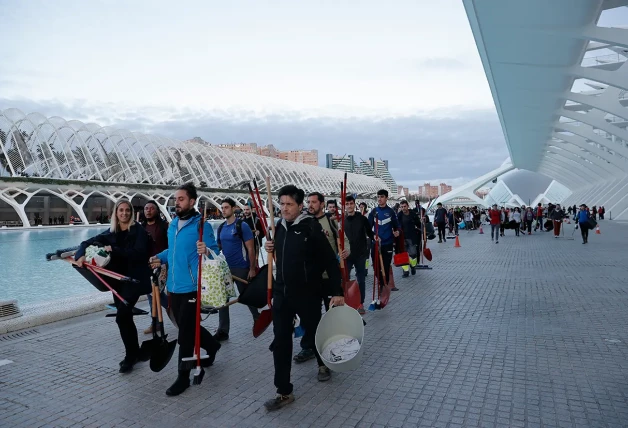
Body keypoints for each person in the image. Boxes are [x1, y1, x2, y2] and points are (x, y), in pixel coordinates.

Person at [263, 185, 344, 411]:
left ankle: (323, 363)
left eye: (289, 204)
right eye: (282, 204)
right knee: (280, 341)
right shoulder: (278, 227)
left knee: (315, 330)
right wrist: (270, 245)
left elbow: (330, 260)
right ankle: (284, 391)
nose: (285, 208)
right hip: (282, 293)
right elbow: (278, 254)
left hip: (308, 292)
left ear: (300, 206)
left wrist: (337, 291)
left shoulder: (310, 228)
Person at [150, 183, 222, 396]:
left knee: (185, 333)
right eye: (176, 199)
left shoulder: (202, 226)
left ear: (192, 201)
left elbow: (216, 252)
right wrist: (159, 258)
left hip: (192, 287)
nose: (177, 203)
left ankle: (183, 377)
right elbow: (172, 250)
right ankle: (212, 346)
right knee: (185, 325)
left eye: (181, 199)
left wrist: (206, 249)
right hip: (173, 286)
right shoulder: (173, 224)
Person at [75, 199, 151, 373]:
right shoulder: (111, 232)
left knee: (122, 317)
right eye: (121, 210)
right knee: (125, 318)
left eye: (127, 210)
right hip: (117, 281)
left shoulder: (138, 231)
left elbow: (139, 254)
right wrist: (80, 255)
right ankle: (135, 352)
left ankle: (130, 357)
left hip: (134, 280)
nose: (124, 213)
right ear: (116, 213)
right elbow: (86, 242)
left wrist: (114, 250)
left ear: (131, 213)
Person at [293, 191, 349, 363]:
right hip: (310, 279)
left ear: (322, 204)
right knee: (310, 316)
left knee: (332, 315)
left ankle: (333, 346)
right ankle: (308, 346)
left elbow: (343, 240)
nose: (310, 205)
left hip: (329, 277)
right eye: (308, 202)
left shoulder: (331, 223)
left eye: (314, 202)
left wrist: (346, 250)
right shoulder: (302, 223)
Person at [215, 198, 259, 341]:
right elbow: (218, 248)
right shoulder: (221, 228)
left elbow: (251, 249)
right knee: (223, 299)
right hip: (226, 269)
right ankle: (223, 330)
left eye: (226, 207)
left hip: (241, 267)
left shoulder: (242, 226)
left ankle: (257, 318)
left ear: (233, 208)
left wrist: (252, 269)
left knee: (246, 296)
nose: (224, 210)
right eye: (222, 207)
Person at [140, 200, 170, 335]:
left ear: (157, 211)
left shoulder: (164, 226)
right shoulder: (141, 227)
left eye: (151, 208)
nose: (148, 211)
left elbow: (171, 246)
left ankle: (174, 310)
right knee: (151, 293)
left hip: (162, 264)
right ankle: (156, 322)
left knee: (156, 292)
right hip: (147, 265)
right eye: (146, 208)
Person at [344, 194, 373, 314]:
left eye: (351, 204)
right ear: (344, 206)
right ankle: (346, 302)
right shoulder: (342, 220)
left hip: (361, 254)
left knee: (361, 279)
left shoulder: (362, 219)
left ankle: (360, 303)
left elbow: (369, 233)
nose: (349, 206)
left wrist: (376, 237)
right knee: (345, 279)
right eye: (347, 204)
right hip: (347, 255)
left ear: (354, 205)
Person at [368, 189, 400, 291]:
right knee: (376, 267)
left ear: (386, 198)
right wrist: (373, 236)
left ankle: (383, 285)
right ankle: (381, 281)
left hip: (387, 244)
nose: (379, 199)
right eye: (378, 197)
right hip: (376, 244)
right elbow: (368, 228)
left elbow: (397, 226)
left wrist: (397, 231)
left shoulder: (391, 212)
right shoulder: (373, 212)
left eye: (382, 197)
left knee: (385, 267)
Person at [397, 200, 421, 278]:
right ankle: (405, 271)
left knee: (413, 254)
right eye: (402, 207)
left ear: (408, 206)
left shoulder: (413, 214)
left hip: (412, 237)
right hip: (402, 238)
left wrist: (422, 223)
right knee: (403, 254)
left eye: (404, 206)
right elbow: (395, 225)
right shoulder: (399, 216)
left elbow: (419, 224)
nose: (403, 208)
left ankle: (413, 266)